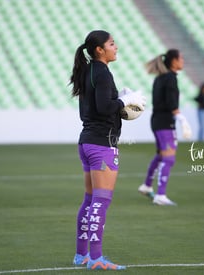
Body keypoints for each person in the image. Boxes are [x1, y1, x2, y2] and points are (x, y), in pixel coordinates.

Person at [69, 30, 145, 270]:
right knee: (100, 202)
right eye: (112, 43)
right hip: (102, 144)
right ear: (99, 50)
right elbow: (104, 108)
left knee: (90, 200)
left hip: (87, 141)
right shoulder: (102, 73)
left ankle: (82, 255)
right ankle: (96, 258)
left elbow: (94, 107)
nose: (116, 47)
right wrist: (125, 101)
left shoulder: (88, 70)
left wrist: (119, 98)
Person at [138, 49, 191, 206]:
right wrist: (181, 119)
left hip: (157, 121)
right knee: (169, 158)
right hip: (165, 122)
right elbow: (171, 102)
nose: (183, 60)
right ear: (173, 61)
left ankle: (147, 186)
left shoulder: (161, 77)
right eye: (181, 58)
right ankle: (160, 195)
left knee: (161, 155)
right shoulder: (170, 78)